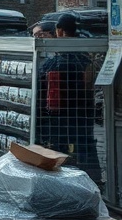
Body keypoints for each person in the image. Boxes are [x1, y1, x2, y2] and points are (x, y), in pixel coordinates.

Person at [38, 12, 101, 182]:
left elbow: (43, 85)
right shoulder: (85, 57)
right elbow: (90, 85)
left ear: (60, 31)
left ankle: (61, 181)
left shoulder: (56, 60)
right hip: (83, 111)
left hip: (59, 115)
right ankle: (93, 179)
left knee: (59, 147)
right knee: (86, 145)